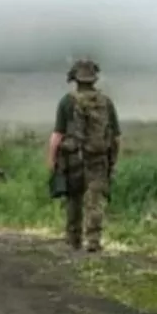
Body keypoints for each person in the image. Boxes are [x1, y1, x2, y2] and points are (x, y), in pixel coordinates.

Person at [47, 59, 120, 253]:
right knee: (94, 200)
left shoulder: (66, 101)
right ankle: (94, 240)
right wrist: (112, 160)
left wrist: (52, 160)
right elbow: (116, 136)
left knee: (74, 198)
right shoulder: (106, 102)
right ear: (94, 79)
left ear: (75, 79)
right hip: (98, 157)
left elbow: (57, 135)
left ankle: (73, 239)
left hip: (73, 158)